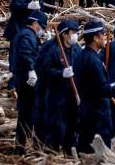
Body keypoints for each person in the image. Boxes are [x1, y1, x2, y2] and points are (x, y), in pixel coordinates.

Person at [73, 19, 115, 153]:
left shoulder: (82, 56)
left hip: (86, 109)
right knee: (99, 150)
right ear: (95, 38)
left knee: (85, 146)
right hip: (97, 113)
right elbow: (101, 89)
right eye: (103, 34)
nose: (106, 37)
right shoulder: (93, 61)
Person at [35, 19, 82, 154]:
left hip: (72, 95)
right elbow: (44, 71)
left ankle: (70, 153)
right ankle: (51, 154)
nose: (76, 36)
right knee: (55, 127)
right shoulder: (53, 50)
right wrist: (61, 73)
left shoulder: (77, 49)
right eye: (73, 32)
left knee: (72, 126)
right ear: (64, 34)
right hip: (56, 94)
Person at [9, 10, 48, 151]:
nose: (43, 30)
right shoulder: (27, 35)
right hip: (27, 80)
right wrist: (31, 69)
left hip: (22, 78)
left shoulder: (26, 34)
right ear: (35, 23)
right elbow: (26, 53)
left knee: (25, 113)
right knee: (28, 113)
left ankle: (20, 146)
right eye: (42, 27)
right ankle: (22, 146)